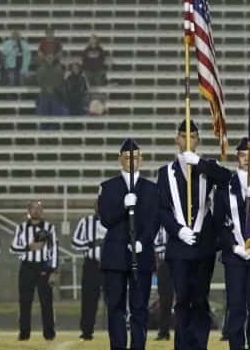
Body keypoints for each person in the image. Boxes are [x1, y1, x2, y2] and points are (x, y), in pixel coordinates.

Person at [157, 120, 231, 350]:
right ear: (176, 139)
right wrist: (178, 230)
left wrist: (199, 163)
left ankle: (199, 345)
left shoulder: (207, 166)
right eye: (183, 136)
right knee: (182, 300)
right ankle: (182, 346)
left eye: (193, 136)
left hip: (203, 245)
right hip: (179, 247)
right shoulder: (165, 172)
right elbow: (162, 208)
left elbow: (227, 178)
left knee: (200, 299)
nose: (188, 140)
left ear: (198, 140)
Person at [98, 138, 160, 350]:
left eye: (135, 157)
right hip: (115, 256)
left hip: (141, 255)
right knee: (115, 307)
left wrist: (142, 242)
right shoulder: (108, 187)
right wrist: (122, 206)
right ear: (120, 160)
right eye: (126, 158)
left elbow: (154, 220)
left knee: (139, 307)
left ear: (141, 159)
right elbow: (106, 218)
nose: (131, 162)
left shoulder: (152, 189)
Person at [213, 138, 250, 350]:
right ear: (238, 157)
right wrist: (233, 246)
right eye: (243, 156)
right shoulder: (225, 186)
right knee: (236, 306)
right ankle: (236, 346)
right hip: (234, 255)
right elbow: (218, 223)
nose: (247, 160)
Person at [10, 201, 58, 341]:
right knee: (25, 302)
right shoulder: (21, 228)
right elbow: (13, 248)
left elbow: (53, 249)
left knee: (47, 302)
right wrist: (29, 247)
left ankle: (49, 333)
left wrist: (53, 270)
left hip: (44, 266)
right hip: (27, 267)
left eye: (38, 208)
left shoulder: (49, 228)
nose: (36, 211)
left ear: (42, 211)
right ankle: (24, 333)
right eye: (33, 208)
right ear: (28, 211)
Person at [71, 203, 107, 341]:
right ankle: (87, 331)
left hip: (111, 265)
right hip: (92, 265)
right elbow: (75, 242)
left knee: (115, 299)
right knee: (89, 299)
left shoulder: (117, 221)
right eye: (98, 205)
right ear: (94, 208)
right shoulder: (85, 222)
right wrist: (91, 243)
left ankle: (117, 329)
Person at [153, 226, 173, 341]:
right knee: (165, 300)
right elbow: (154, 247)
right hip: (164, 264)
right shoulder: (158, 226)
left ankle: (187, 329)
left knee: (185, 297)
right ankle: (164, 331)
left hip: (180, 262)